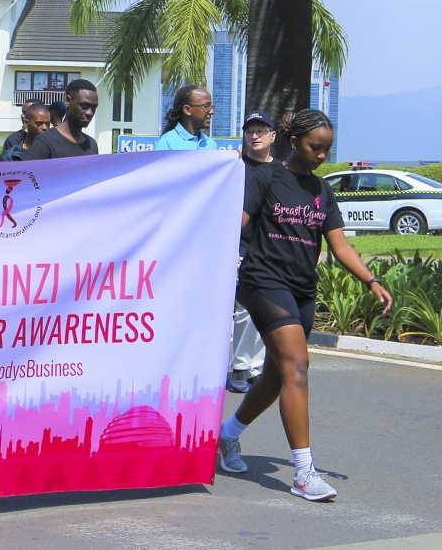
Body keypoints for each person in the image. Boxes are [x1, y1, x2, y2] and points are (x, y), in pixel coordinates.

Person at [217, 110, 392, 502]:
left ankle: (227, 437)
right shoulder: (266, 178)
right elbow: (233, 223)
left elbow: (340, 245)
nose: (322, 156)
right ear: (294, 141)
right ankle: (303, 472)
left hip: (302, 289)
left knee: (278, 376)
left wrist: (372, 280)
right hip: (262, 282)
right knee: (298, 365)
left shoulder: (322, 191)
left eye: (328, 150)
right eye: (316, 147)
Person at [228, 111, 278, 394]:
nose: (255, 136)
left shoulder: (281, 171)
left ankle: (252, 367)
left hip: (271, 252)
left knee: (263, 310)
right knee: (244, 311)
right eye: (250, 131)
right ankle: (240, 367)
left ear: (273, 136)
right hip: (237, 250)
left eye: (261, 130)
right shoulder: (234, 166)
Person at [24, 79, 99, 160]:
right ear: (68, 100)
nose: (90, 113)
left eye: (94, 108)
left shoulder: (91, 145)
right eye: (84, 106)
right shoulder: (45, 142)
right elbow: (35, 172)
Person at [155, 85, 217, 150]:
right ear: (187, 109)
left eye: (211, 106)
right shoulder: (167, 142)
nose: (212, 111)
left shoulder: (211, 144)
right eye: (206, 106)